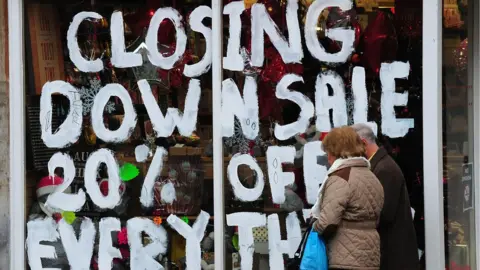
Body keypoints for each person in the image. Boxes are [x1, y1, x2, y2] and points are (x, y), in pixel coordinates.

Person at [312, 126, 384, 270]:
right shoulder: (371, 176)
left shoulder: (341, 177)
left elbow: (327, 223)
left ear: (336, 151)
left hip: (344, 258)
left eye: (328, 152)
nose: (327, 157)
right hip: (370, 256)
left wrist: (314, 224)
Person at [352, 123, 419, 270]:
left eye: (352, 147)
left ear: (363, 143)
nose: (350, 153)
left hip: (393, 255)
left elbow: (383, 213)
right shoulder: (380, 166)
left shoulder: (384, 169)